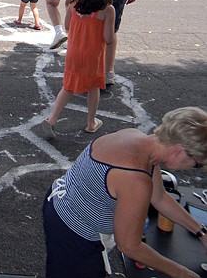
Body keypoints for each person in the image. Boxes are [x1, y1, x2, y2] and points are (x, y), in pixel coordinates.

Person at [43, 107, 207, 278]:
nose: (194, 168)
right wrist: (182, 273)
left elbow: (159, 198)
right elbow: (129, 246)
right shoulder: (135, 179)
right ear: (180, 151)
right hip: (71, 228)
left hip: (60, 198)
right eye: (196, 164)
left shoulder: (140, 140)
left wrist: (201, 232)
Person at [43, 0, 115, 137]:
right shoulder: (107, 9)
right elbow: (108, 37)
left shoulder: (74, 4)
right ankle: (91, 122)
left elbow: (67, 27)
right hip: (93, 54)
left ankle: (52, 119)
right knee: (93, 86)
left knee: (68, 86)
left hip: (74, 52)